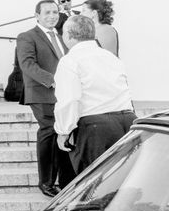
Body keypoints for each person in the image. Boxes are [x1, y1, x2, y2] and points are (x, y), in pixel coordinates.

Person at [54, 15, 135, 174]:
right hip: (128, 121)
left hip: (97, 128)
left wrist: (63, 131)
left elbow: (69, 99)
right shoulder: (111, 57)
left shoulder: (70, 60)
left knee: (96, 184)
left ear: (69, 35)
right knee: (125, 179)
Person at [17, 0, 75, 198]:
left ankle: (65, 180)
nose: (52, 16)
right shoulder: (27, 36)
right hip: (42, 92)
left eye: (55, 12)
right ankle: (46, 182)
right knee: (49, 132)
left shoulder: (61, 36)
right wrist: (54, 81)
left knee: (64, 131)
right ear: (37, 15)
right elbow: (27, 64)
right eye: (47, 12)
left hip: (63, 94)